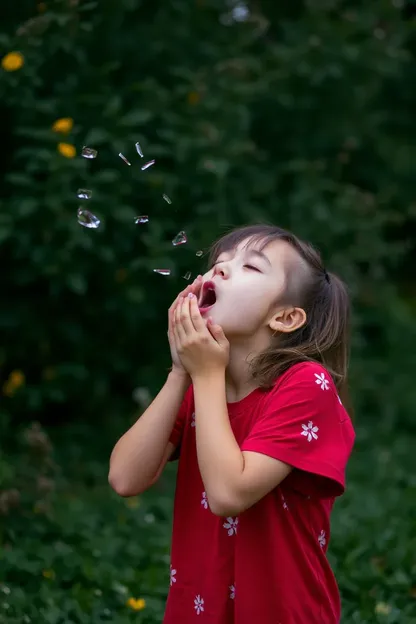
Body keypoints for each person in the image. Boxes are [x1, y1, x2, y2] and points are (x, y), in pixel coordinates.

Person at [109, 223, 355, 624]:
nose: (219, 270)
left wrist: (204, 375)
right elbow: (125, 478)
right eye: (220, 263)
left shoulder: (306, 384)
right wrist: (179, 373)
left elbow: (227, 495)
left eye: (250, 268)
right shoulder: (205, 388)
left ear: (286, 317)